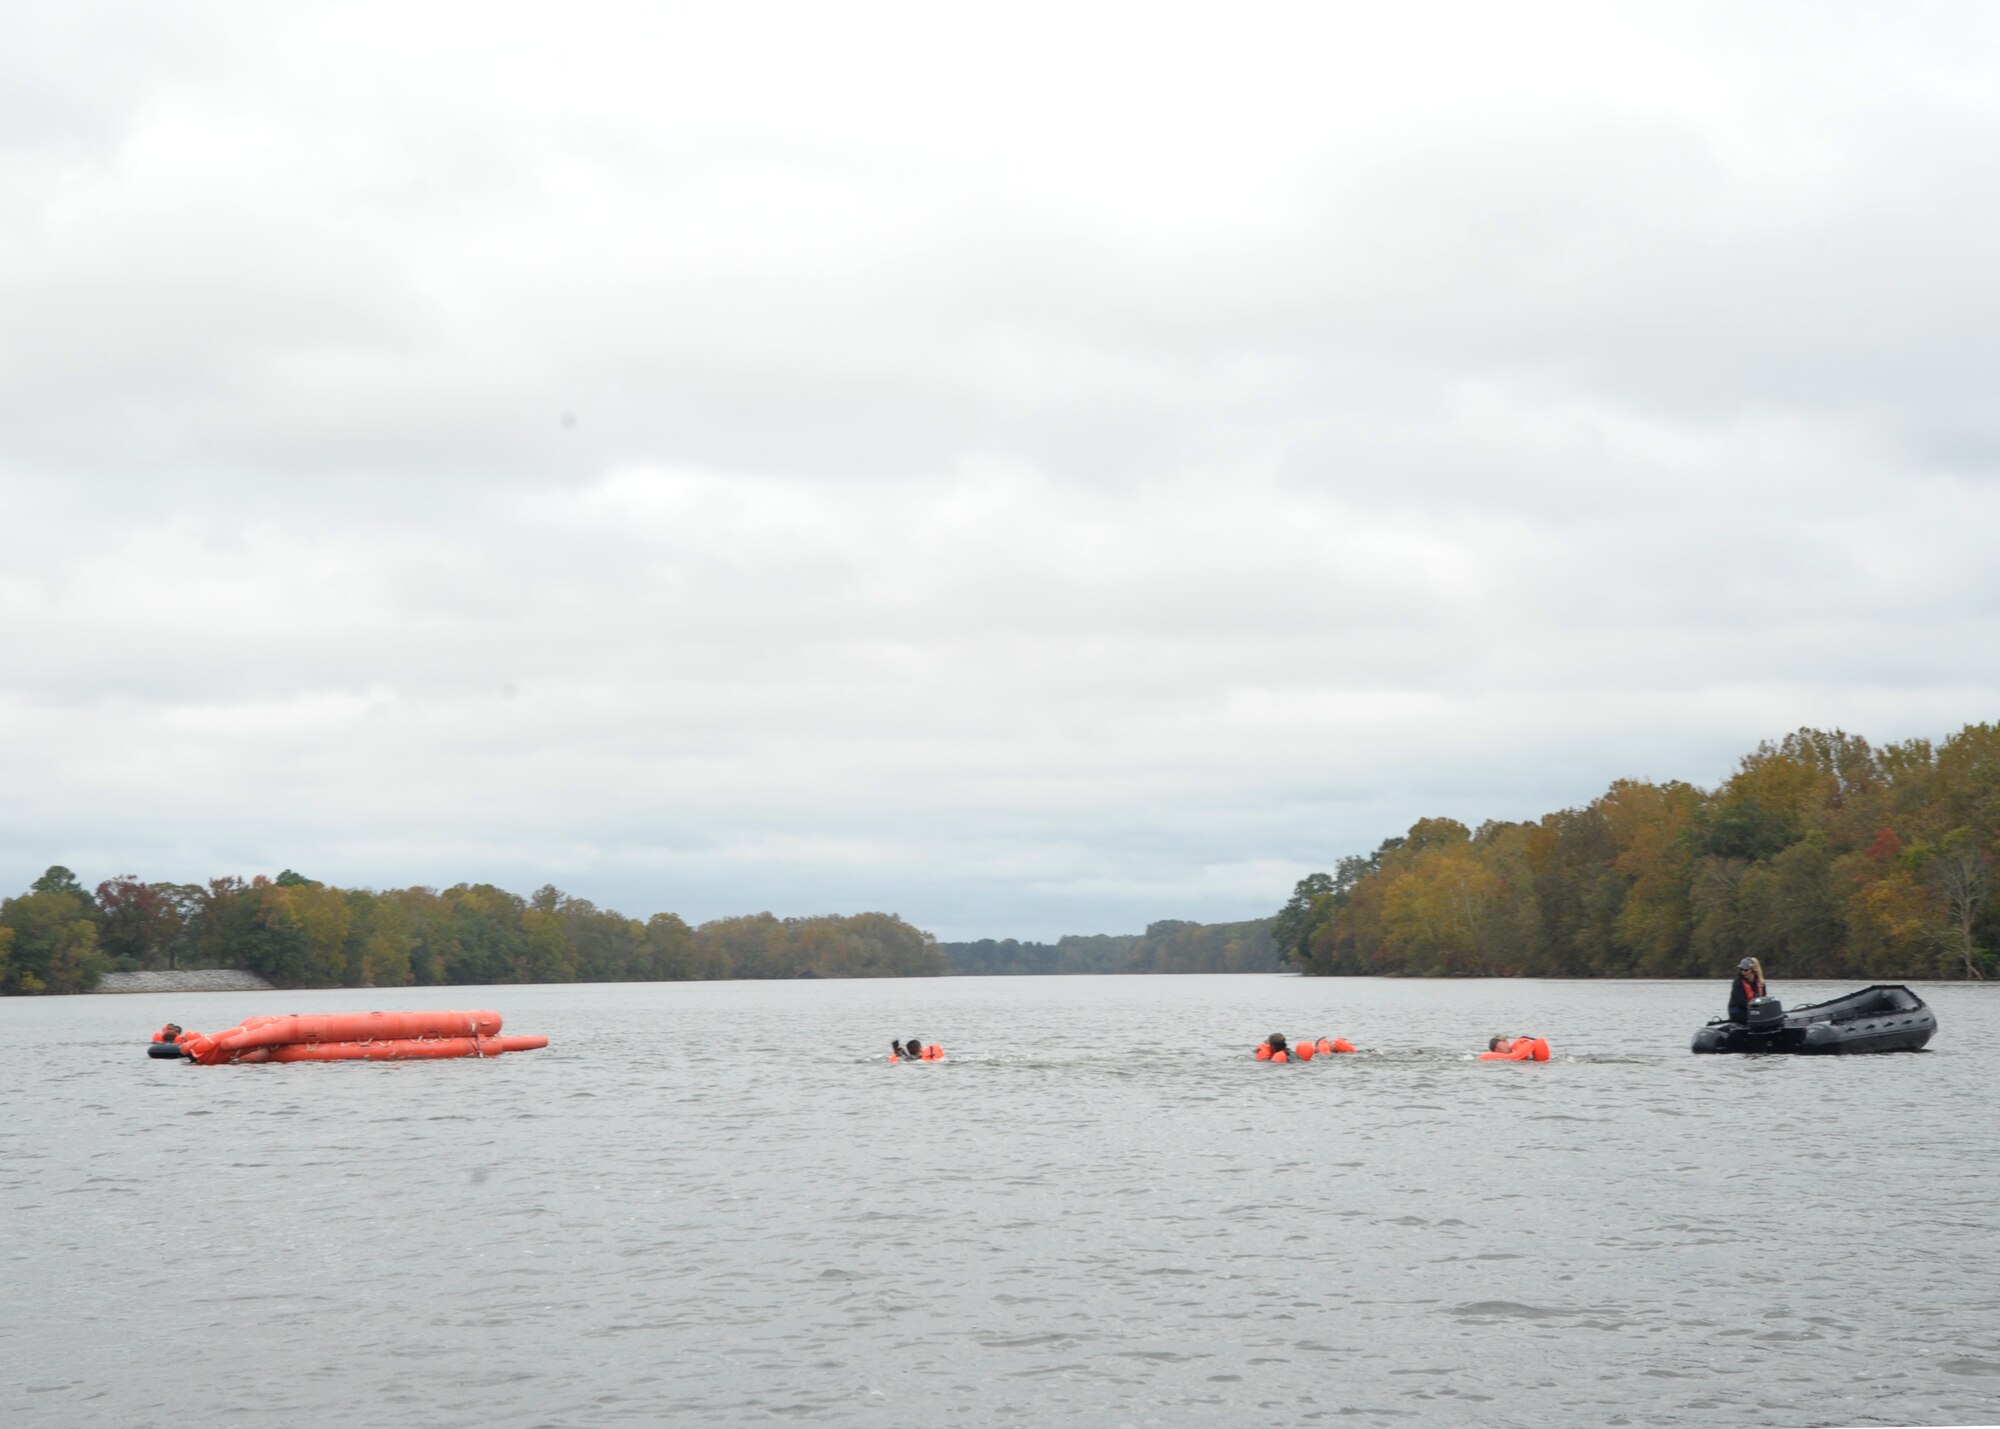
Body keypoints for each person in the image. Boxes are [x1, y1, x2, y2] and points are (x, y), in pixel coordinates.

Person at [1728, 957, 1767, 1024]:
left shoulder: (1760, 983)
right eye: (1741, 970)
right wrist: (1755, 1009)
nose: (1743, 972)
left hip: (1753, 1010)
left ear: (1753, 970)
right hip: (1738, 1010)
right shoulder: (1738, 982)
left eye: (1745, 970)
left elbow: (1763, 999)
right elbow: (1740, 1002)